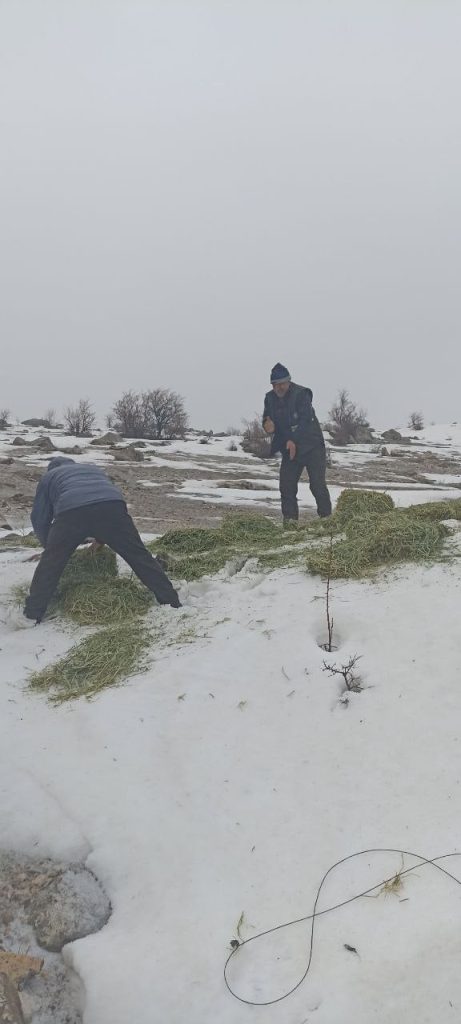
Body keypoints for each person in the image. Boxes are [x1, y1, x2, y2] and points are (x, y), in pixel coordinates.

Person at [23, 457, 181, 622]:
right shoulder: (93, 469)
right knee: (139, 556)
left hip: (72, 510)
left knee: (50, 565)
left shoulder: (50, 476)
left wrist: (49, 547)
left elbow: (40, 518)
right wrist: (102, 537)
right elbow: (104, 500)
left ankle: (32, 615)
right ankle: (171, 601)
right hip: (113, 507)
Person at [262, 363, 331, 524]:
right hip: (289, 448)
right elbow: (267, 419)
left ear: (289, 381)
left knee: (317, 485)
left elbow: (306, 420)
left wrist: (294, 439)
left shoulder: (301, 394)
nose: (279, 387)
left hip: (312, 445)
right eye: (275, 384)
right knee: (286, 485)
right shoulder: (270, 398)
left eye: (282, 384)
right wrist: (267, 425)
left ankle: (327, 521)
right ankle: (290, 523)